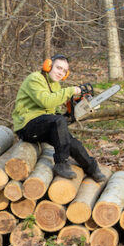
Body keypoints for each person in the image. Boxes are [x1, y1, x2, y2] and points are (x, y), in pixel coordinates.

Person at [11, 54, 106, 182]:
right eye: (58, 68)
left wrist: (69, 114)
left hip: (43, 124)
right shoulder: (35, 79)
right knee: (58, 122)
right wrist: (70, 91)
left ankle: (92, 168)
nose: (60, 73)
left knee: (70, 141)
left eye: (64, 71)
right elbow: (46, 102)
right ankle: (61, 164)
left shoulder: (55, 85)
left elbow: (54, 112)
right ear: (48, 66)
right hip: (27, 126)